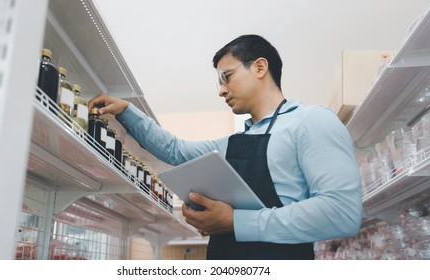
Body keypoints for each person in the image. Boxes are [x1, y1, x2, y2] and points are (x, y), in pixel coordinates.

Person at [88, 34, 362, 260]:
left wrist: (236, 222)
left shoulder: (311, 121)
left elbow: (341, 212)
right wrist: (126, 112)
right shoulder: (230, 144)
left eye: (226, 77)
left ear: (259, 68)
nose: (220, 91)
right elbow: (175, 150)